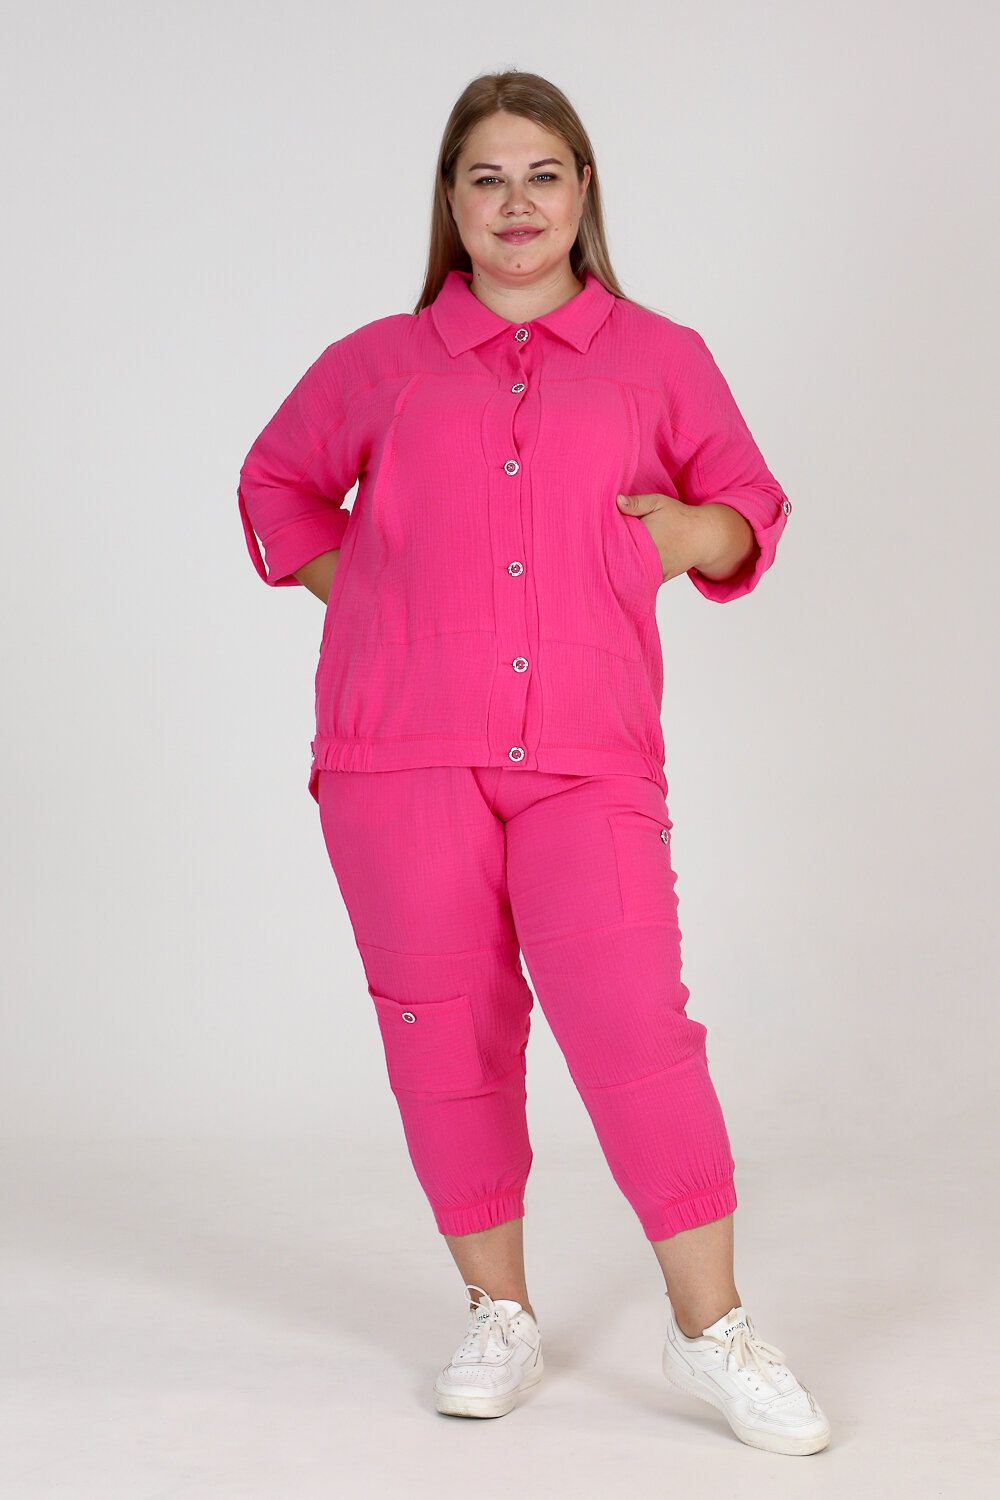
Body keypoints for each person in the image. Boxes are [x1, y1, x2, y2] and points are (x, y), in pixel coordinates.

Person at [236, 70, 830, 1457]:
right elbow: (276, 484)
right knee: (445, 1034)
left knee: (634, 1028)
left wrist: (685, 537)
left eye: (543, 175)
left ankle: (713, 1331)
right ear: (450, 202)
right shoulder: (378, 362)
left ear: (583, 192)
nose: (517, 204)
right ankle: (496, 1312)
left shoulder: (659, 357)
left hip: (585, 753)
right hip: (399, 757)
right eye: (488, 178)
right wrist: (368, 590)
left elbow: (749, 502)